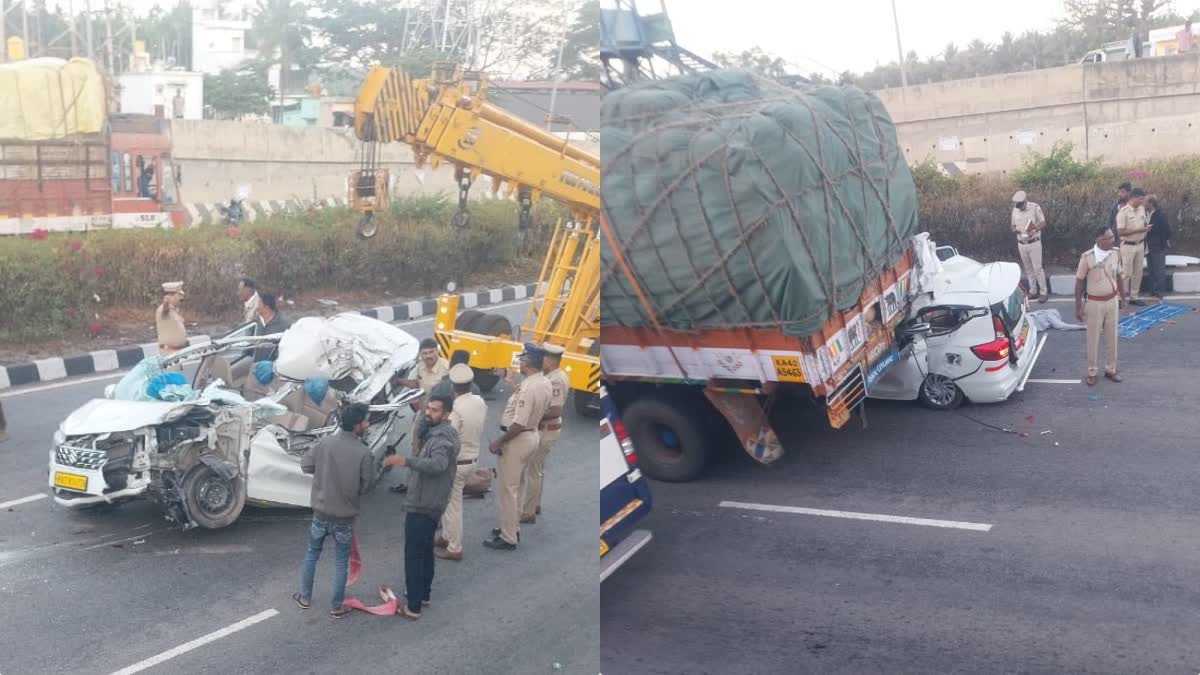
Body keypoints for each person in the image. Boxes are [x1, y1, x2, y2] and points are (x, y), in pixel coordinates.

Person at [295, 402, 375, 619]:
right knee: (341, 561)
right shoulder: (364, 452)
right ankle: (336, 606)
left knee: (312, 554)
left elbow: (305, 466)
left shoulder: (325, 443)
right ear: (357, 425)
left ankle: (304, 597)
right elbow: (367, 486)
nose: (367, 424)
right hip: (344, 519)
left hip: (320, 514)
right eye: (366, 421)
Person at [383, 393, 459, 620]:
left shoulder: (442, 439)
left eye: (435, 410)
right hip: (429, 501)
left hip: (424, 505)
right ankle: (423, 594)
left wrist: (404, 461)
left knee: (414, 555)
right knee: (425, 551)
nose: (429, 413)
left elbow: (438, 465)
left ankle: (413, 606)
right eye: (428, 409)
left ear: (446, 414)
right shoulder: (437, 433)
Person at [485, 345, 552, 551]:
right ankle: (512, 527)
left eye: (522, 359)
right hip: (532, 436)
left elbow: (519, 423)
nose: (520, 362)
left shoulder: (530, 386)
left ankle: (508, 537)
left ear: (529, 363)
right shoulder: (544, 382)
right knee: (519, 486)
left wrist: (500, 441)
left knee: (508, 489)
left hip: (518, 439)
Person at [436, 364, 487, 562]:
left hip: (457, 462)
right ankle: (447, 537)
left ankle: (454, 547)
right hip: (472, 458)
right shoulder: (479, 402)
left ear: (453, 387)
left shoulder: (456, 409)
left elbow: (449, 436)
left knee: (452, 506)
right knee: (451, 502)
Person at [390, 339, 450, 494]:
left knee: (437, 451)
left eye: (431, 352)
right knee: (416, 448)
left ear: (437, 351)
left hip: (441, 419)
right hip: (424, 414)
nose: (428, 356)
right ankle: (411, 485)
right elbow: (417, 384)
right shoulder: (420, 367)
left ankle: (433, 487)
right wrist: (398, 380)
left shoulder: (446, 368)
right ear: (420, 355)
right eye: (425, 353)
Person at [520, 343, 568, 524]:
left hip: (546, 430)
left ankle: (527, 511)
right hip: (547, 430)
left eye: (543, 359)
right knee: (537, 470)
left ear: (550, 360)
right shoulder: (554, 375)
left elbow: (555, 411)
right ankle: (535, 504)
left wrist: (532, 415)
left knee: (533, 471)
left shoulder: (556, 380)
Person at [1075, 225, 1127, 387]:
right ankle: (1092, 372)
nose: (1113, 240)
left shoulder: (1116, 253)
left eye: (1113, 237)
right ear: (1099, 240)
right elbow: (1079, 282)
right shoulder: (1088, 257)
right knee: (1093, 339)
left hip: (1112, 301)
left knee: (1112, 338)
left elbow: (1119, 277)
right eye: (1109, 238)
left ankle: (1110, 369)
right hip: (1094, 303)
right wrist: (1078, 306)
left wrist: (1123, 299)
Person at [1010, 190, 1048, 303]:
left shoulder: (1035, 207)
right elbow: (1012, 226)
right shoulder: (1015, 210)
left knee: (1037, 268)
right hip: (1021, 243)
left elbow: (1043, 222)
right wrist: (1016, 230)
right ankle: (1033, 291)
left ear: (1025, 201)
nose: (1019, 207)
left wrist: (1034, 229)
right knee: (1028, 269)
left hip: (1034, 242)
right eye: (1017, 205)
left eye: (1021, 205)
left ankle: (1043, 292)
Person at [1116, 187, 1150, 306]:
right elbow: (1120, 232)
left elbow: (1143, 221)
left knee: (1138, 272)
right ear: (1133, 198)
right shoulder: (1123, 212)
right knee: (1126, 273)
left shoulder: (1141, 209)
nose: (1142, 202)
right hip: (1128, 246)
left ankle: (1134, 297)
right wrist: (1138, 230)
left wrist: (1145, 227)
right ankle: (1121, 298)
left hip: (1140, 244)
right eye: (1140, 199)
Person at [1144, 195, 1172, 300]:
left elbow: (1167, 230)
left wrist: (1164, 241)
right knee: (1151, 270)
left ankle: (1159, 294)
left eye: (1145, 202)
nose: (1143, 204)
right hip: (1148, 247)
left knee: (1159, 271)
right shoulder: (1146, 214)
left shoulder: (1160, 214)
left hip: (1158, 247)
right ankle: (1152, 292)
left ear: (1151, 203)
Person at [251, 292, 290, 361]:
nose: (256, 306)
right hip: (255, 367)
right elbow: (246, 345)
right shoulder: (254, 323)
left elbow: (288, 349)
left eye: (259, 303)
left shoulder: (284, 325)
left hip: (273, 368)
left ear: (266, 307)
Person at [156, 281, 187, 359]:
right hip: (169, 353)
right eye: (178, 296)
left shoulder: (173, 311)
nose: (180, 299)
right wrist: (166, 302)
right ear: (171, 297)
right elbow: (164, 310)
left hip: (177, 353)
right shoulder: (163, 310)